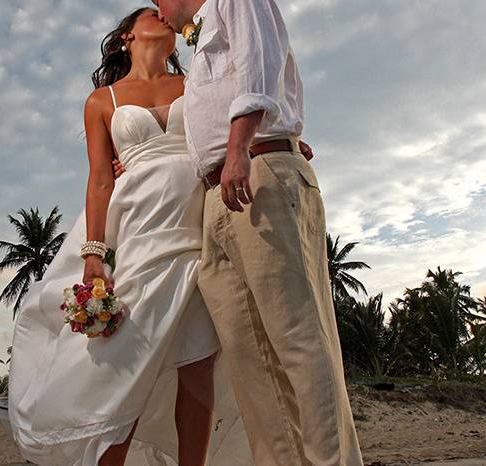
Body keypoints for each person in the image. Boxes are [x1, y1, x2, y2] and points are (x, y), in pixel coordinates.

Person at [8, 8, 250, 466]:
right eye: (152, 13)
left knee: (198, 365)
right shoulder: (103, 100)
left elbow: (230, 131)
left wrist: (279, 141)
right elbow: (100, 179)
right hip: (140, 227)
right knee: (130, 361)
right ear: (127, 35)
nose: (164, 15)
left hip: (199, 225)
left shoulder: (194, 83)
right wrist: (94, 255)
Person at [153, 0, 365, 465]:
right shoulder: (198, 38)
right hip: (219, 192)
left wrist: (243, 146)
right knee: (251, 359)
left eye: (156, 2)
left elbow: (258, 63)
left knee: (298, 338)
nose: (159, 13)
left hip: (255, 174)